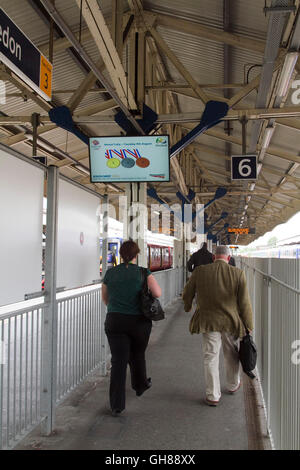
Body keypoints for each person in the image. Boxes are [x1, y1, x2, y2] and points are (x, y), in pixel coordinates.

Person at [182, 245, 253, 406]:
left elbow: (187, 292)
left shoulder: (200, 271)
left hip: (208, 320)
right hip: (231, 321)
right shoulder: (238, 273)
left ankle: (213, 395)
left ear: (214, 257)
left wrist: (188, 306)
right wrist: (248, 324)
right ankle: (233, 384)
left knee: (210, 356)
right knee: (232, 355)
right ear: (229, 258)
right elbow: (244, 303)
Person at [102, 240, 162, 417]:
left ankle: (117, 405)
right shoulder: (143, 273)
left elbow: (105, 299)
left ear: (121, 255)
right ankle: (140, 385)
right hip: (139, 322)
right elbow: (157, 293)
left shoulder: (111, 273)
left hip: (115, 321)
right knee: (137, 354)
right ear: (137, 255)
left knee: (118, 362)